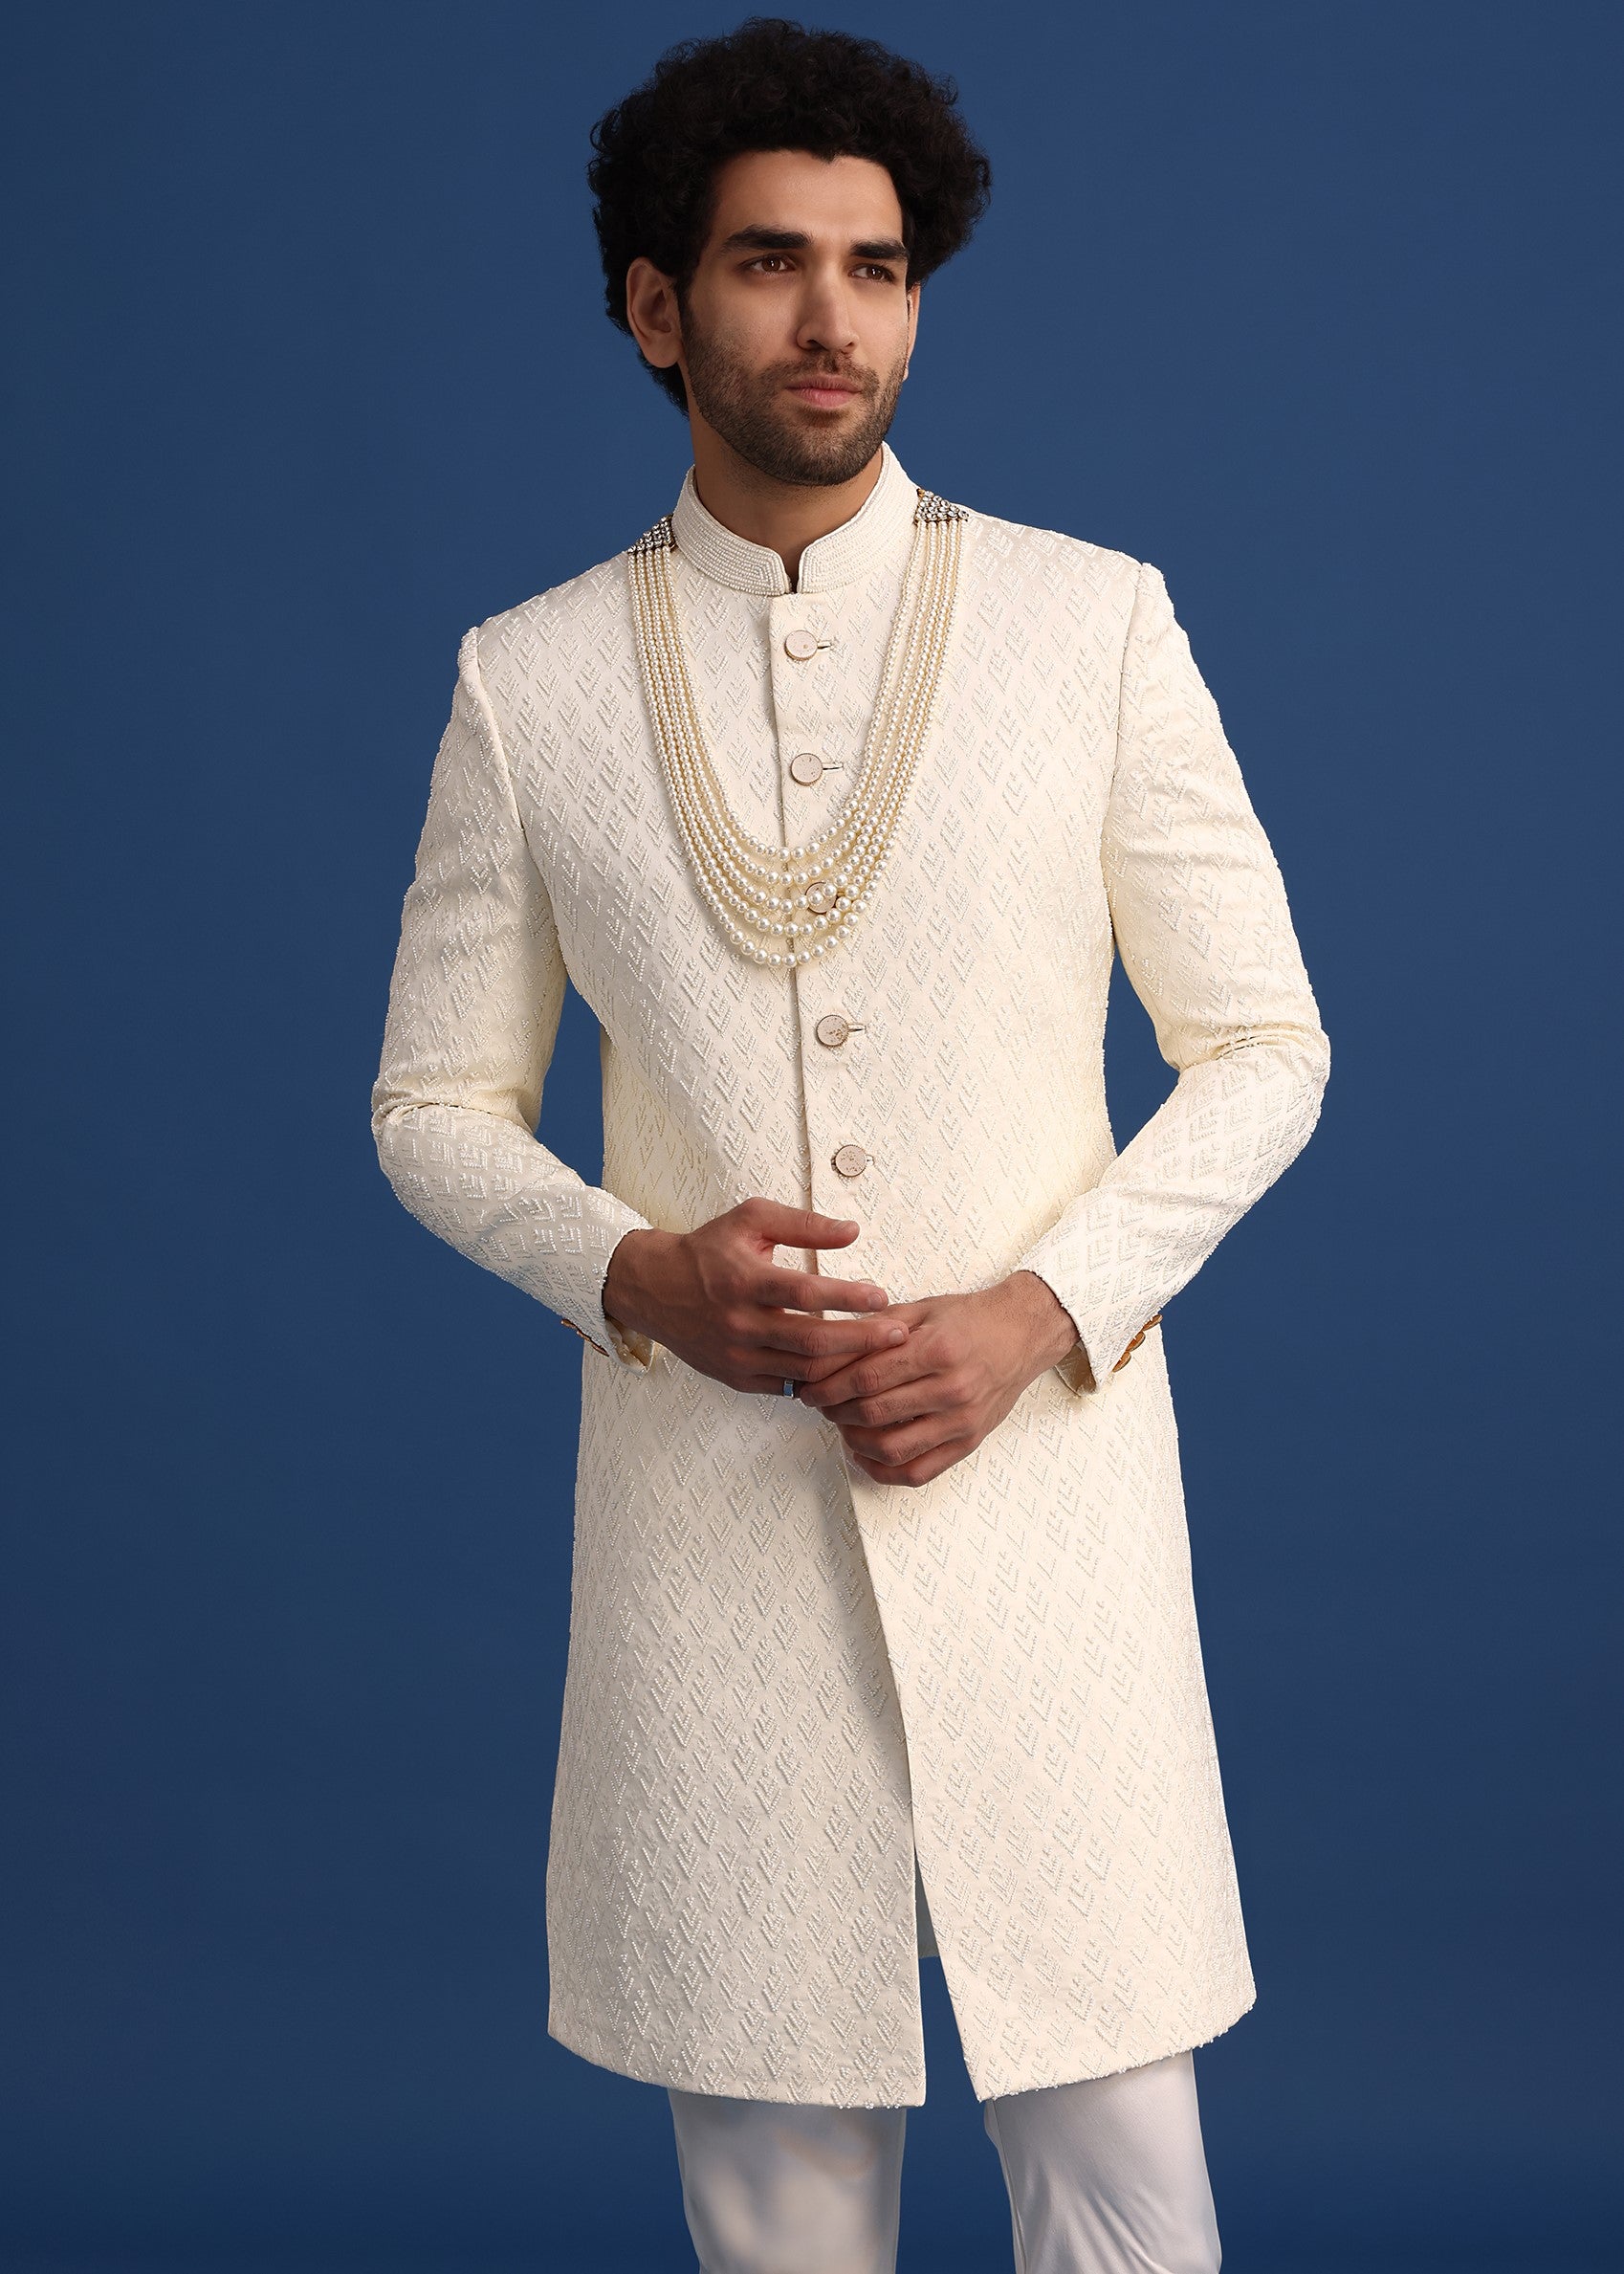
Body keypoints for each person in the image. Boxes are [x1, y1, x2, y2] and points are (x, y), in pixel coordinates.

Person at [370, 18, 1329, 2270]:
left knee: (1121, 2168)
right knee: (777, 2193)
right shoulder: (531, 681)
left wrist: (1040, 1312)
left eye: (877, 269)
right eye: (771, 262)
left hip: (1049, 1501)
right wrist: (636, 1274)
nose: (833, 318)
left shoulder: (1090, 625)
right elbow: (427, 1106)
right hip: (713, 1528)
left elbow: (1265, 1049)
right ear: (655, 307)